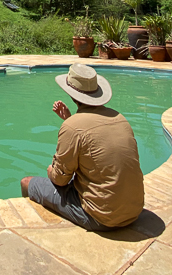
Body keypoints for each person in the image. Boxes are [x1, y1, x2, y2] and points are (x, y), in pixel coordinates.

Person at [20, 63, 144, 231]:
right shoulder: (120, 118)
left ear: (72, 94)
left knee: (27, 183)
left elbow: (59, 179)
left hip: (102, 217)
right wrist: (70, 120)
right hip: (134, 210)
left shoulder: (73, 127)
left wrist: (50, 170)